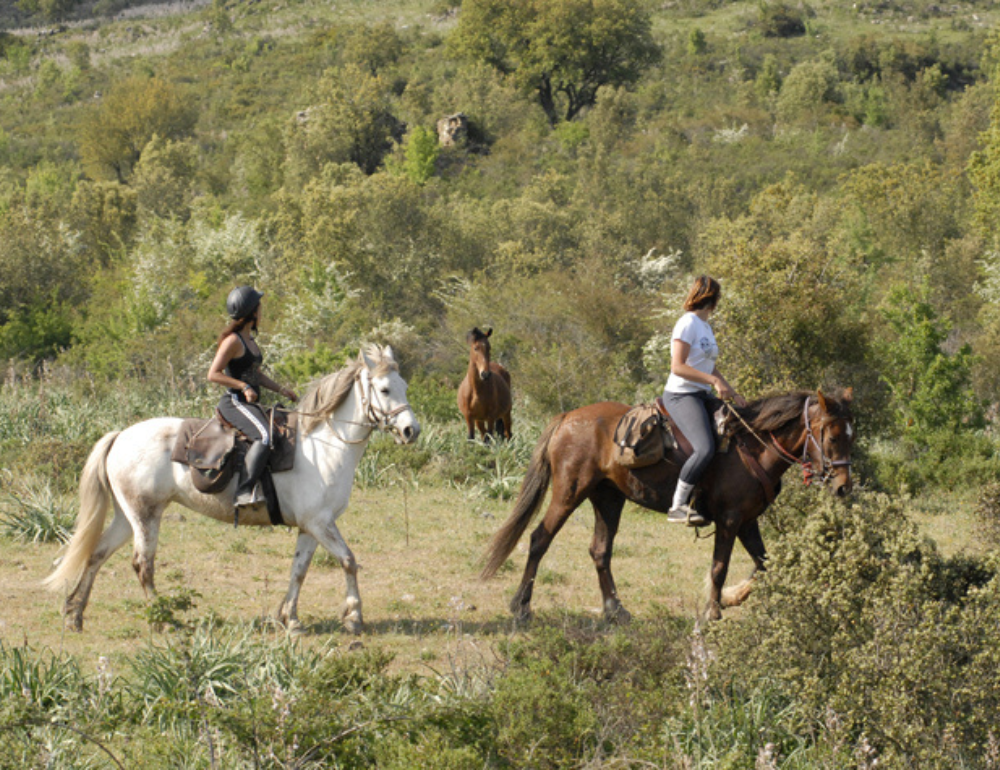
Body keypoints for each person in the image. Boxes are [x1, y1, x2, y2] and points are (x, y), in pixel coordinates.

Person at [663, 276, 746, 526]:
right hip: (681, 394)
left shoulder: (705, 327)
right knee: (705, 448)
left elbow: (708, 364)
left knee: (737, 427)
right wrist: (713, 381)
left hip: (701, 393)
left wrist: (730, 389)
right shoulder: (687, 323)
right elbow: (677, 367)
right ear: (714, 299)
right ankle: (677, 506)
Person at [208, 286, 298, 509]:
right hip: (234, 402)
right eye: (259, 308)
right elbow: (213, 374)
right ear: (252, 312)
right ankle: (243, 492)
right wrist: (243, 386)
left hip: (249, 403)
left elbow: (256, 374)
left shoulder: (250, 341)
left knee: (276, 433)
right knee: (264, 436)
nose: (261, 312)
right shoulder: (233, 341)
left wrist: (281, 390)